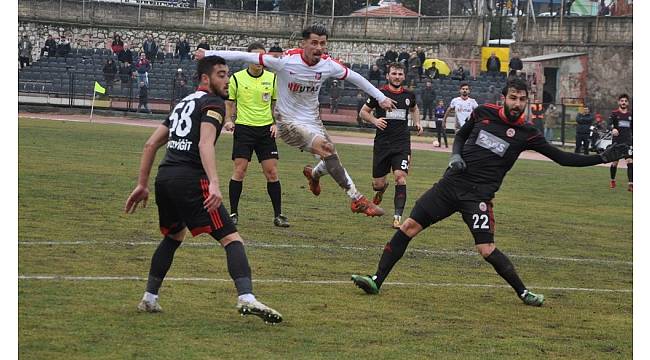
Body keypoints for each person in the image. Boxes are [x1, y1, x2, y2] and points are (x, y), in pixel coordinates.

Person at [351, 77, 631, 307]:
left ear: (526, 101)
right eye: (513, 98)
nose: (517, 103)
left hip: (478, 198)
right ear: (504, 98)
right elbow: (461, 135)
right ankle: (376, 280)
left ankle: (523, 293)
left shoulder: (528, 133)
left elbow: (562, 158)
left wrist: (601, 158)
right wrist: (455, 155)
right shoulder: (483, 112)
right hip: (449, 186)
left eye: (522, 99)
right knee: (409, 227)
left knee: (486, 249)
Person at [124, 55, 282, 323]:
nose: (227, 79)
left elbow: (151, 145)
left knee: (174, 235)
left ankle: (149, 298)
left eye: (228, 74)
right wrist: (215, 185)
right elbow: (205, 144)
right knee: (232, 239)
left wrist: (142, 184)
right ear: (206, 78)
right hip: (190, 180)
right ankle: (246, 296)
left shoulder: (183, 103)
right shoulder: (213, 103)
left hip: (166, 178)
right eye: (221, 74)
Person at [197, 24, 396, 217]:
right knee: (327, 150)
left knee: (331, 157)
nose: (319, 48)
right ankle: (357, 199)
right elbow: (245, 55)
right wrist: (207, 54)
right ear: (304, 43)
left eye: (323, 43)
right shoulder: (285, 60)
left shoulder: (328, 64)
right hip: (288, 123)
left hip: (312, 121)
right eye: (314, 43)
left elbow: (356, 78)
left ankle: (314, 175)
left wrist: (381, 98)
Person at [223, 43, 289, 228]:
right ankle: (233, 214)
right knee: (240, 171)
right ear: (249, 58)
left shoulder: (273, 79)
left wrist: (277, 124)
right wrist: (228, 120)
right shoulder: (237, 78)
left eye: (262, 57)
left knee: (272, 173)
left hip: (266, 131)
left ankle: (278, 215)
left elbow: (277, 105)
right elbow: (229, 103)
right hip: (244, 129)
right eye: (255, 57)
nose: (259, 61)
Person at [359, 62, 423, 229]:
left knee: (400, 177)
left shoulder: (409, 95)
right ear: (388, 76)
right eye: (394, 74)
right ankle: (382, 189)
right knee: (377, 184)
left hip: (401, 143)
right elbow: (363, 112)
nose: (397, 77)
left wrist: (418, 123)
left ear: (404, 76)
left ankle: (397, 218)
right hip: (382, 144)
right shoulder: (378, 94)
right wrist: (374, 120)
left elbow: (415, 109)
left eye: (400, 74)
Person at [608, 94, 633, 191]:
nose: (623, 102)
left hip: (628, 142)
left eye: (625, 101)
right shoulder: (614, 113)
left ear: (628, 103)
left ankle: (631, 184)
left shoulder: (631, 115)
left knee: (630, 162)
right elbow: (609, 124)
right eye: (622, 100)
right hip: (617, 142)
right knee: (615, 163)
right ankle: (612, 180)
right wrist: (613, 129)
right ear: (619, 102)